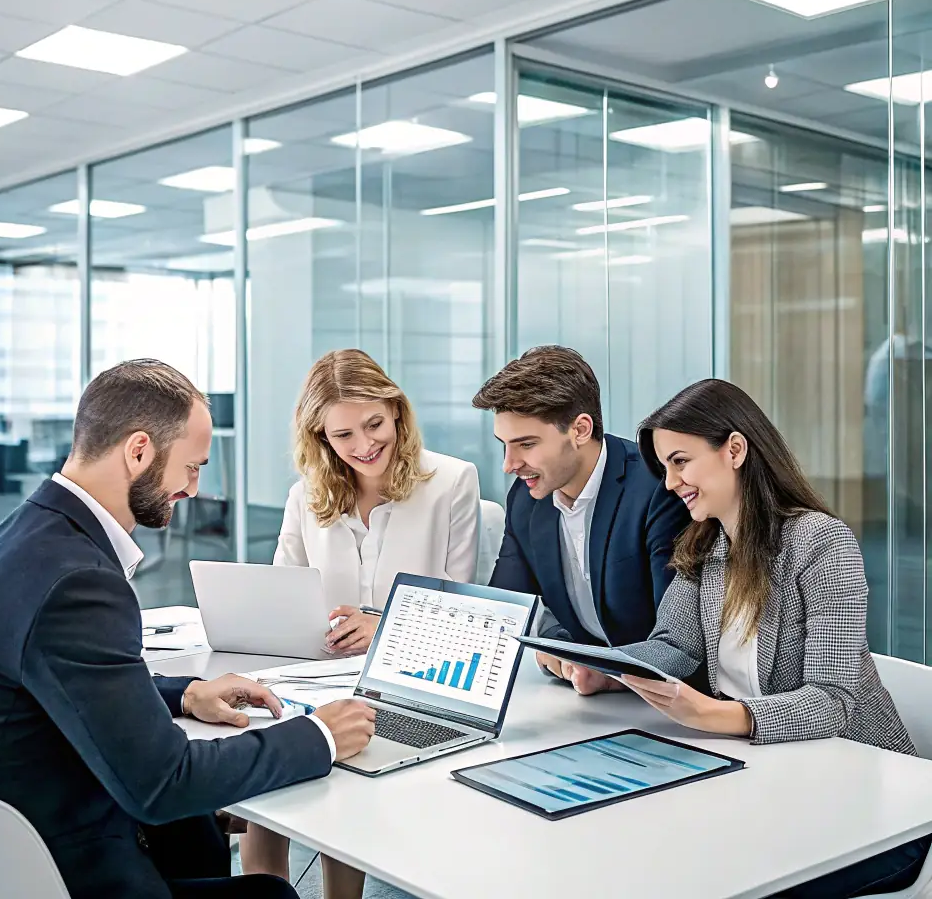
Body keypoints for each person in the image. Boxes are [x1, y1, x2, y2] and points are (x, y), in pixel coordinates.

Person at [0, 359, 376, 899]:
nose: (194, 489)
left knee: (199, 833)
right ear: (139, 451)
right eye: (193, 467)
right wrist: (319, 736)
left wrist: (184, 695)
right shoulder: (79, 578)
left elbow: (51, 681)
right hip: (45, 869)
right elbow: (162, 783)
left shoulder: (24, 534)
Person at [620, 377, 931, 899]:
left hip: (868, 811)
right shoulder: (706, 543)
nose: (670, 482)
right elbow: (674, 644)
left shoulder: (820, 542)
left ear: (735, 449)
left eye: (681, 461)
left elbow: (833, 702)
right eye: (665, 467)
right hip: (770, 780)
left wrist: (715, 716)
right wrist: (603, 663)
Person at [242, 347, 480, 897]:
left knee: (326, 738)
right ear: (322, 438)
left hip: (414, 674)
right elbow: (284, 595)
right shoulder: (306, 494)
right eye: (343, 436)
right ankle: (261, 888)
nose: (364, 445)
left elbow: (464, 611)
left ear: (396, 411)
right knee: (264, 732)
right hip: (320, 670)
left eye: (374, 424)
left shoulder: (450, 482)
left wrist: (386, 625)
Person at [471, 345, 691, 697]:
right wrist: (557, 648)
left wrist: (601, 670)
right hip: (587, 703)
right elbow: (501, 613)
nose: (508, 464)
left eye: (526, 444)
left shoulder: (655, 488)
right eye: (504, 445)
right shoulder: (525, 500)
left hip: (665, 703)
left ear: (580, 429)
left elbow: (679, 644)